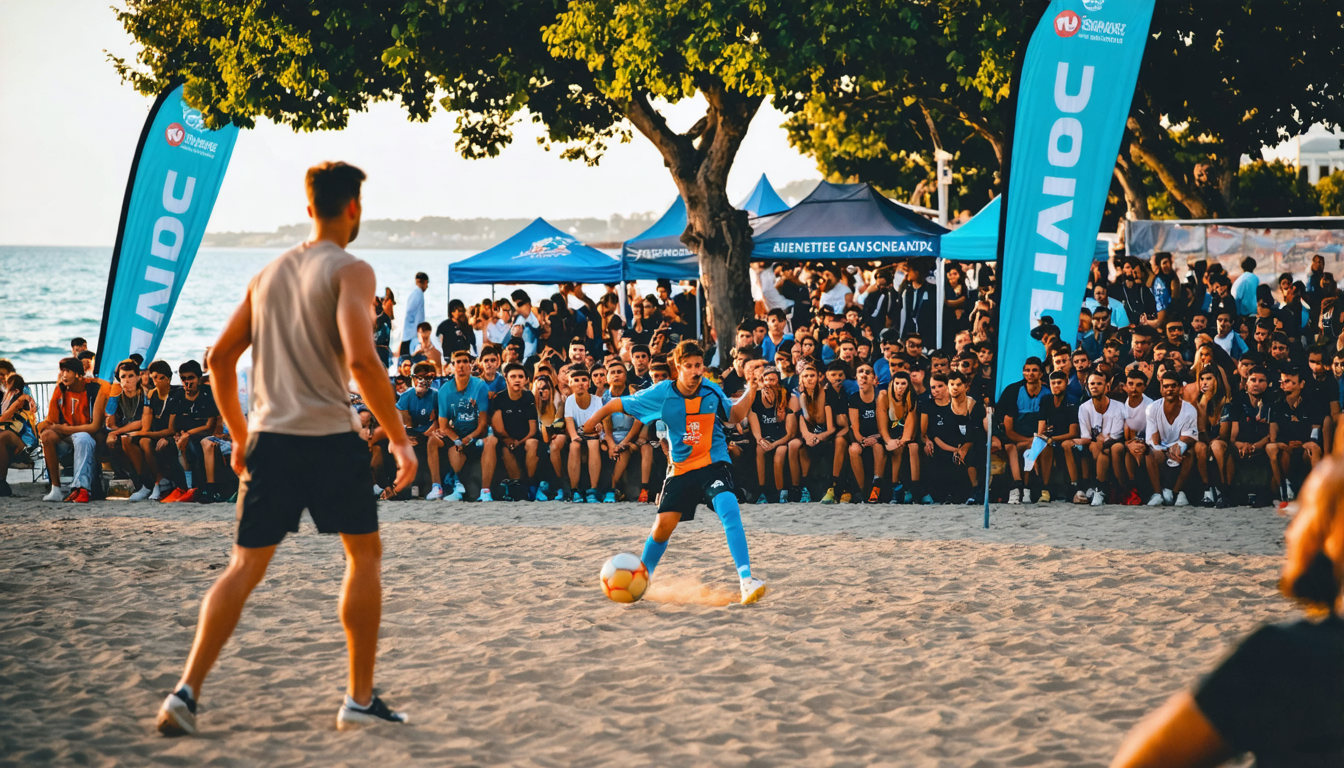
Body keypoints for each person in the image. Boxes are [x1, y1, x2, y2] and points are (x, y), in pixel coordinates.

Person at [156, 161, 417, 736]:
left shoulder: (268, 273)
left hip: (270, 440)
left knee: (244, 567)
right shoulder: (352, 269)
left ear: (308, 208)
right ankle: (358, 698)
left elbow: (220, 359)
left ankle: (185, 693)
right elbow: (360, 358)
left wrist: (241, 435)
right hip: (328, 439)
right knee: (363, 558)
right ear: (353, 209)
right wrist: (399, 438)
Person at [1110, 456, 1344, 767]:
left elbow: (1143, 761)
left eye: (1302, 511)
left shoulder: (1288, 659)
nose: (1289, 529)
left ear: (1331, 534)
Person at [582, 340, 768, 605]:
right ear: (678, 368)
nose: (695, 371)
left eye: (699, 366)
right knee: (661, 530)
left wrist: (752, 389)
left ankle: (746, 580)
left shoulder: (712, 391)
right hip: (680, 469)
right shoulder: (661, 393)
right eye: (689, 366)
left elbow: (735, 415)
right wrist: (590, 424)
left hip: (713, 463)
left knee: (728, 505)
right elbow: (615, 405)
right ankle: (640, 581)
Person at [36, 357, 109, 503]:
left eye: (67, 371)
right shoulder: (60, 390)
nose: (63, 375)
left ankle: (81, 488)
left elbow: (94, 427)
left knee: (82, 437)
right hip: (67, 436)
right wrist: (43, 428)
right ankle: (55, 488)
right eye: (62, 371)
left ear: (77, 374)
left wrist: (62, 429)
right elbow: (52, 421)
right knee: (47, 435)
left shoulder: (93, 389)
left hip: (88, 435)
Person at [437, 349, 496, 502]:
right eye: (457, 362)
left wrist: (469, 437)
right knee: (451, 447)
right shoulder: (444, 390)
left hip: (477, 435)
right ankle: (456, 484)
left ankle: (486, 491)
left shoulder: (480, 386)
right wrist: (457, 439)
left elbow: (483, 423)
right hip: (457, 434)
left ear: (471, 366)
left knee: (491, 441)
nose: (461, 366)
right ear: (452, 366)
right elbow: (443, 425)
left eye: (465, 362)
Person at [997, 358, 1049, 504]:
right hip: (1015, 440)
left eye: (1034, 370)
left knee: (1039, 449)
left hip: (1040, 439)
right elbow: (1008, 430)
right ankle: (1022, 489)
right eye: (1027, 370)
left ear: (1041, 373)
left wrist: (1037, 440)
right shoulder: (1013, 391)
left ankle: (1042, 490)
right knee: (1029, 448)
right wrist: (1029, 441)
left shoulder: (1048, 393)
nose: (1030, 373)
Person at [787, 362, 839, 504]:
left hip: (825, 435)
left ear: (818, 378)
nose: (809, 379)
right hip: (810, 435)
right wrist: (808, 437)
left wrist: (817, 437)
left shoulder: (826, 395)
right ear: (801, 379)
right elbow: (802, 421)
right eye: (805, 376)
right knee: (796, 447)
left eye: (812, 376)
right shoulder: (802, 397)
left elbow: (831, 428)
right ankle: (799, 488)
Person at [1145, 371, 1198, 507]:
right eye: (1166, 386)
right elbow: (1154, 439)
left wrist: (1179, 446)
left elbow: (1189, 437)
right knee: (1150, 454)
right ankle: (1157, 494)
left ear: (1180, 388)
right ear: (1161, 388)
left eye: (1173, 386)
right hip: (1161, 448)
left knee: (1189, 454)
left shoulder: (1190, 410)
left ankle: (1175, 492)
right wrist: (1167, 450)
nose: (1169, 390)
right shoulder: (1152, 408)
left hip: (1179, 448)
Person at [1269, 368, 1322, 502]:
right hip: (1286, 447)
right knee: (1272, 448)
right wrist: (1282, 444)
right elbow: (1273, 435)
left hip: (1305, 446)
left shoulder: (1311, 404)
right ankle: (1283, 489)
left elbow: (1315, 431)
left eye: (1288, 381)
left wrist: (1305, 443)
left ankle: (1318, 492)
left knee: (1313, 448)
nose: (1283, 384)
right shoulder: (1276, 405)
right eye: (1282, 381)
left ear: (1301, 384)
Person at [601, 361, 651, 503]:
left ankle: (611, 488)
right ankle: (612, 488)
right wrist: (611, 444)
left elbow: (638, 420)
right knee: (611, 448)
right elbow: (606, 423)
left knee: (624, 449)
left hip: (631, 435)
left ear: (625, 376)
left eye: (619, 372)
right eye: (613, 372)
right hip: (610, 435)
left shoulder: (633, 395)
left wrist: (625, 441)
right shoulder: (604, 397)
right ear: (607, 377)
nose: (616, 375)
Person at [490, 362, 540, 498]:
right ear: (506, 378)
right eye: (513, 376)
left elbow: (533, 429)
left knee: (532, 443)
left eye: (520, 376)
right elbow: (498, 428)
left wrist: (519, 442)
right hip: (507, 438)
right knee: (505, 449)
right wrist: (509, 440)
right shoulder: (499, 398)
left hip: (526, 438)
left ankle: (530, 484)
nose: (517, 379)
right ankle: (519, 486)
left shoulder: (529, 396)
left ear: (526, 380)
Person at [397, 362, 444, 499]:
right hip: (413, 435)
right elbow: (403, 421)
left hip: (429, 435)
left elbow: (439, 420)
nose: (422, 381)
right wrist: (405, 435)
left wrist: (431, 428)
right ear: (413, 378)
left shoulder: (436, 395)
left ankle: (430, 485)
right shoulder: (406, 396)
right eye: (419, 377)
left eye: (426, 378)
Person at [104, 359, 151, 500]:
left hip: (144, 432)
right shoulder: (118, 396)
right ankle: (127, 478)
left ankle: (143, 483)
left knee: (126, 440)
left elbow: (142, 422)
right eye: (123, 376)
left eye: (131, 376)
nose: (127, 380)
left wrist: (116, 432)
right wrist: (112, 432)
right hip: (124, 432)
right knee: (109, 442)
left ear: (138, 377)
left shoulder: (145, 395)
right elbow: (110, 422)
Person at [749, 365, 796, 504]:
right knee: (759, 449)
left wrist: (775, 444)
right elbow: (754, 424)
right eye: (767, 380)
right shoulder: (755, 398)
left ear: (778, 382)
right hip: (765, 436)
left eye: (773, 380)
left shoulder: (786, 397)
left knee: (780, 454)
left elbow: (790, 432)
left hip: (782, 438)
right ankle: (762, 491)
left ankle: (781, 491)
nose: (769, 383)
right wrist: (760, 439)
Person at [847, 362, 887, 503]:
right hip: (863, 437)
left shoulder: (880, 396)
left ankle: (877, 486)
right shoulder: (854, 398)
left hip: (879, 436)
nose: (864, 375)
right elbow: (855, 428)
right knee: (853, 450)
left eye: (868, 372)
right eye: (860, 372)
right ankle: (863, 490)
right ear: (856, 377)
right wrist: (863, 440)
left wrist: (876, 437)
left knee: (877, 446)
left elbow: (884, 426)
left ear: (874, 379)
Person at [564, 366, 605, 503]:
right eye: (576, 380)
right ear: (570, 384)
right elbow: (569, 422)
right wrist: (575, 437)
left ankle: (593, 489)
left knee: (593, 443)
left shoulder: (597, 400)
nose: (580, 383)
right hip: (578, 434)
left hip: (593, 435)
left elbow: (599, 422)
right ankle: (574, 490)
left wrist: (598, 427)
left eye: (583, 380)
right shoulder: (569, 400)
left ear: (589, 383)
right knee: (574, 446)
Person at [880, 370, 920, 504]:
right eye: (897, 383)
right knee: (895, 449)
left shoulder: (911, 399)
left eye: (903, 383)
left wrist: (901, 441)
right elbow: (882, 425)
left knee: (912, 447)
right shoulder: (884, 397)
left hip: (906, 436)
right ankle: (895, 488)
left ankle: (915, 489)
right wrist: (888, 440)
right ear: (892, 384)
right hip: (889, 435)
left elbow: (909, 428)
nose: (900, 387)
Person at [399, 271, 428, 359]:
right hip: (412, 336)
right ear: (425, 282)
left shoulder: (415, 293)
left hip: (411, 334)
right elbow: (410, 313)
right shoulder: (418, 293)